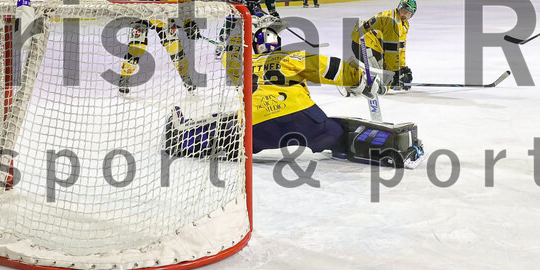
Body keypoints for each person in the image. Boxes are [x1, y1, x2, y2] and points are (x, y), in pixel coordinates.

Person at [169, 27, 425, 168]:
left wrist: (229, 49)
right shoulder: (288, 57)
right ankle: (393, 144)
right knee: (335, 132)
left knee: (227, 132)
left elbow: (229, 64)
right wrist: (360, 80)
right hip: (301, 117)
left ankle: (182, 139)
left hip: (257, 123)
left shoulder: (242, 67)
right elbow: (327, 67)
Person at [118, 0, 202, 94]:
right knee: (137, 47)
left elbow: (185, 7)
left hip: (163, 19)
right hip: (142, 15)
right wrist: (148, 7)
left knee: (175, 49)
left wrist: (190, 23)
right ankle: (124, 77)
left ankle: (186, 78)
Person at [350, 0, 415, 91]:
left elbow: (400, 48)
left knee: (386, 78)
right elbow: (391, 50)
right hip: (363, 43)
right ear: (399, 8)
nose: (405, 15)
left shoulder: (404, 24)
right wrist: (395, 72)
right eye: (404, 11)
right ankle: (350, 78)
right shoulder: (393, 22)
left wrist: (401, 67)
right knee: (383, 81)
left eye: (409, 14)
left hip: (374, 45)